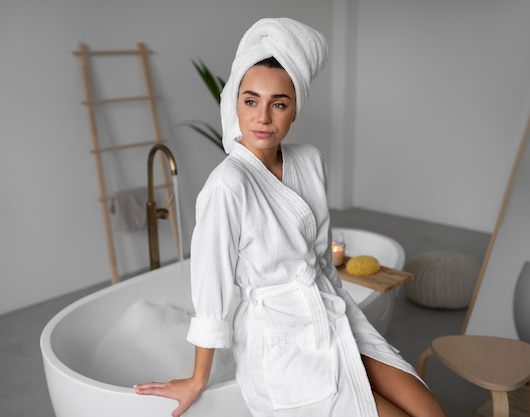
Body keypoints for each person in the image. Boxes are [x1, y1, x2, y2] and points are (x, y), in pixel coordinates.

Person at [134, 17, 447, 417]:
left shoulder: (309, 161)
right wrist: (197, 381)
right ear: (236, 103)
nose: (263, 117)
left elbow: (319, 257)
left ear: (295, 109)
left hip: (329, 310)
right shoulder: (227, 186)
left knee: (431, 412)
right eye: (251, 101)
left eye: (278, 104)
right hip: (280, 342)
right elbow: (211, 292)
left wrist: (344, 313)